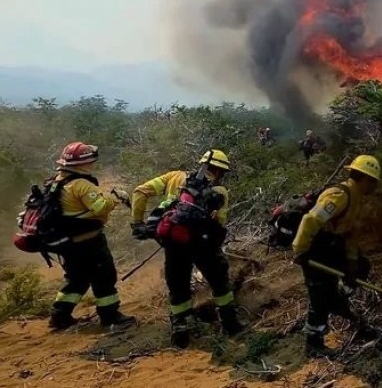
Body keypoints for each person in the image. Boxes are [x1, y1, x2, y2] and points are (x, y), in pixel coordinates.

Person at [129, 149, 244, 348]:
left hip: (174, 243)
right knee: (220, 283)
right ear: (219, 171)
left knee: (178, 286)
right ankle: (230, 325)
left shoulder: (174, 177)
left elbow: (140, 191)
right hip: (203, 245)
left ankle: (180, 331)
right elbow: (220, 225)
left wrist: (137, 223)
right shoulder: (220, 192)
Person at [291, 155, 381, 356]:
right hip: (314, 249)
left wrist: (351, 264)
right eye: (373, 181)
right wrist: (300, 250)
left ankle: (339, 300)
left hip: (331, 248)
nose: (374, 186)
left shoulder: (357, 200)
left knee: (361, 266)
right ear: (364, 179)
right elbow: (310, 220)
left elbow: (350, 235)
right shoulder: (339, 196)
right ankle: (313, 343)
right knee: (319, 295)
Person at [47, 141, 137, 330]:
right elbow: (100, 208)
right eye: (90, 161)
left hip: (69, 244)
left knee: (77, 279)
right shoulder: (81, 185)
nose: (92, 164)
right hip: (88, 243)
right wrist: (114, 199)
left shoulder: (57, 180)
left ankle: (59, 315)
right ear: (83, 163)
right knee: (104, 277)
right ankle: (110, 316)